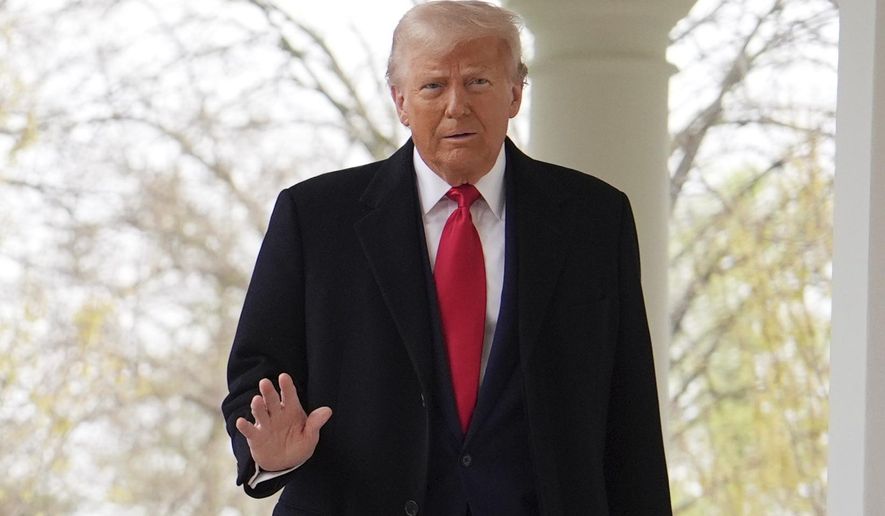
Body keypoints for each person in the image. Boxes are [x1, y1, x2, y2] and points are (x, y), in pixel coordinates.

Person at [221, 1, 671, 514]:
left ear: (515, 92)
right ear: (401, 101)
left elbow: (630, 418)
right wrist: (271, 455)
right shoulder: (315, 218)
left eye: (478, 82)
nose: (456, 105)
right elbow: (256, 377)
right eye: (433, 85)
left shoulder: (594, 219)